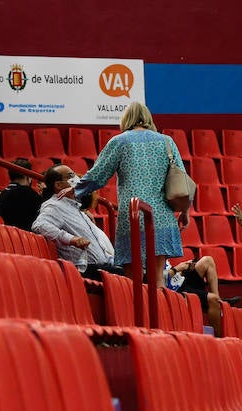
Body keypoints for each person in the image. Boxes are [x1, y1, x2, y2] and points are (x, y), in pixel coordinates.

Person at [72, 101, 190, 286]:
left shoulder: (119, 141)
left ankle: (135, 314)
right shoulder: (167, 141)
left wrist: (74, 190)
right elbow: (181, 181)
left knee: (131, 279)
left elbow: (97, 175)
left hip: (133, 215)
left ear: (126, 119)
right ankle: (157, 315)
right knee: (158, 278)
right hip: (161, 216)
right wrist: (185, 211)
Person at [33, 164, 115, 269]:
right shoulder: (54, 205)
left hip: (104, 266)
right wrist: (72, 239)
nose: (75, 178)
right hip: (88, 270)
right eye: (70, 175)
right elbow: (40, 225)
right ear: (58, 185)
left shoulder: (75, 207)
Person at [163, 256, 223, 331]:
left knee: (207, 260)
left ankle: (219, 302)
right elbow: (159, 282)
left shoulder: (161, 254)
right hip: (176, 291)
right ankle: (218, 339)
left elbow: (168, 273)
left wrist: (183, 269)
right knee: (213, 299)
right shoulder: (148, 258)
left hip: (180, 279)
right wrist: (177, 268)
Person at [0, 158, 40, 231]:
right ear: (28, 176)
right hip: (24, 235)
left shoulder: (4, 193)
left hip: (8, 234)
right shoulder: (26, 192)